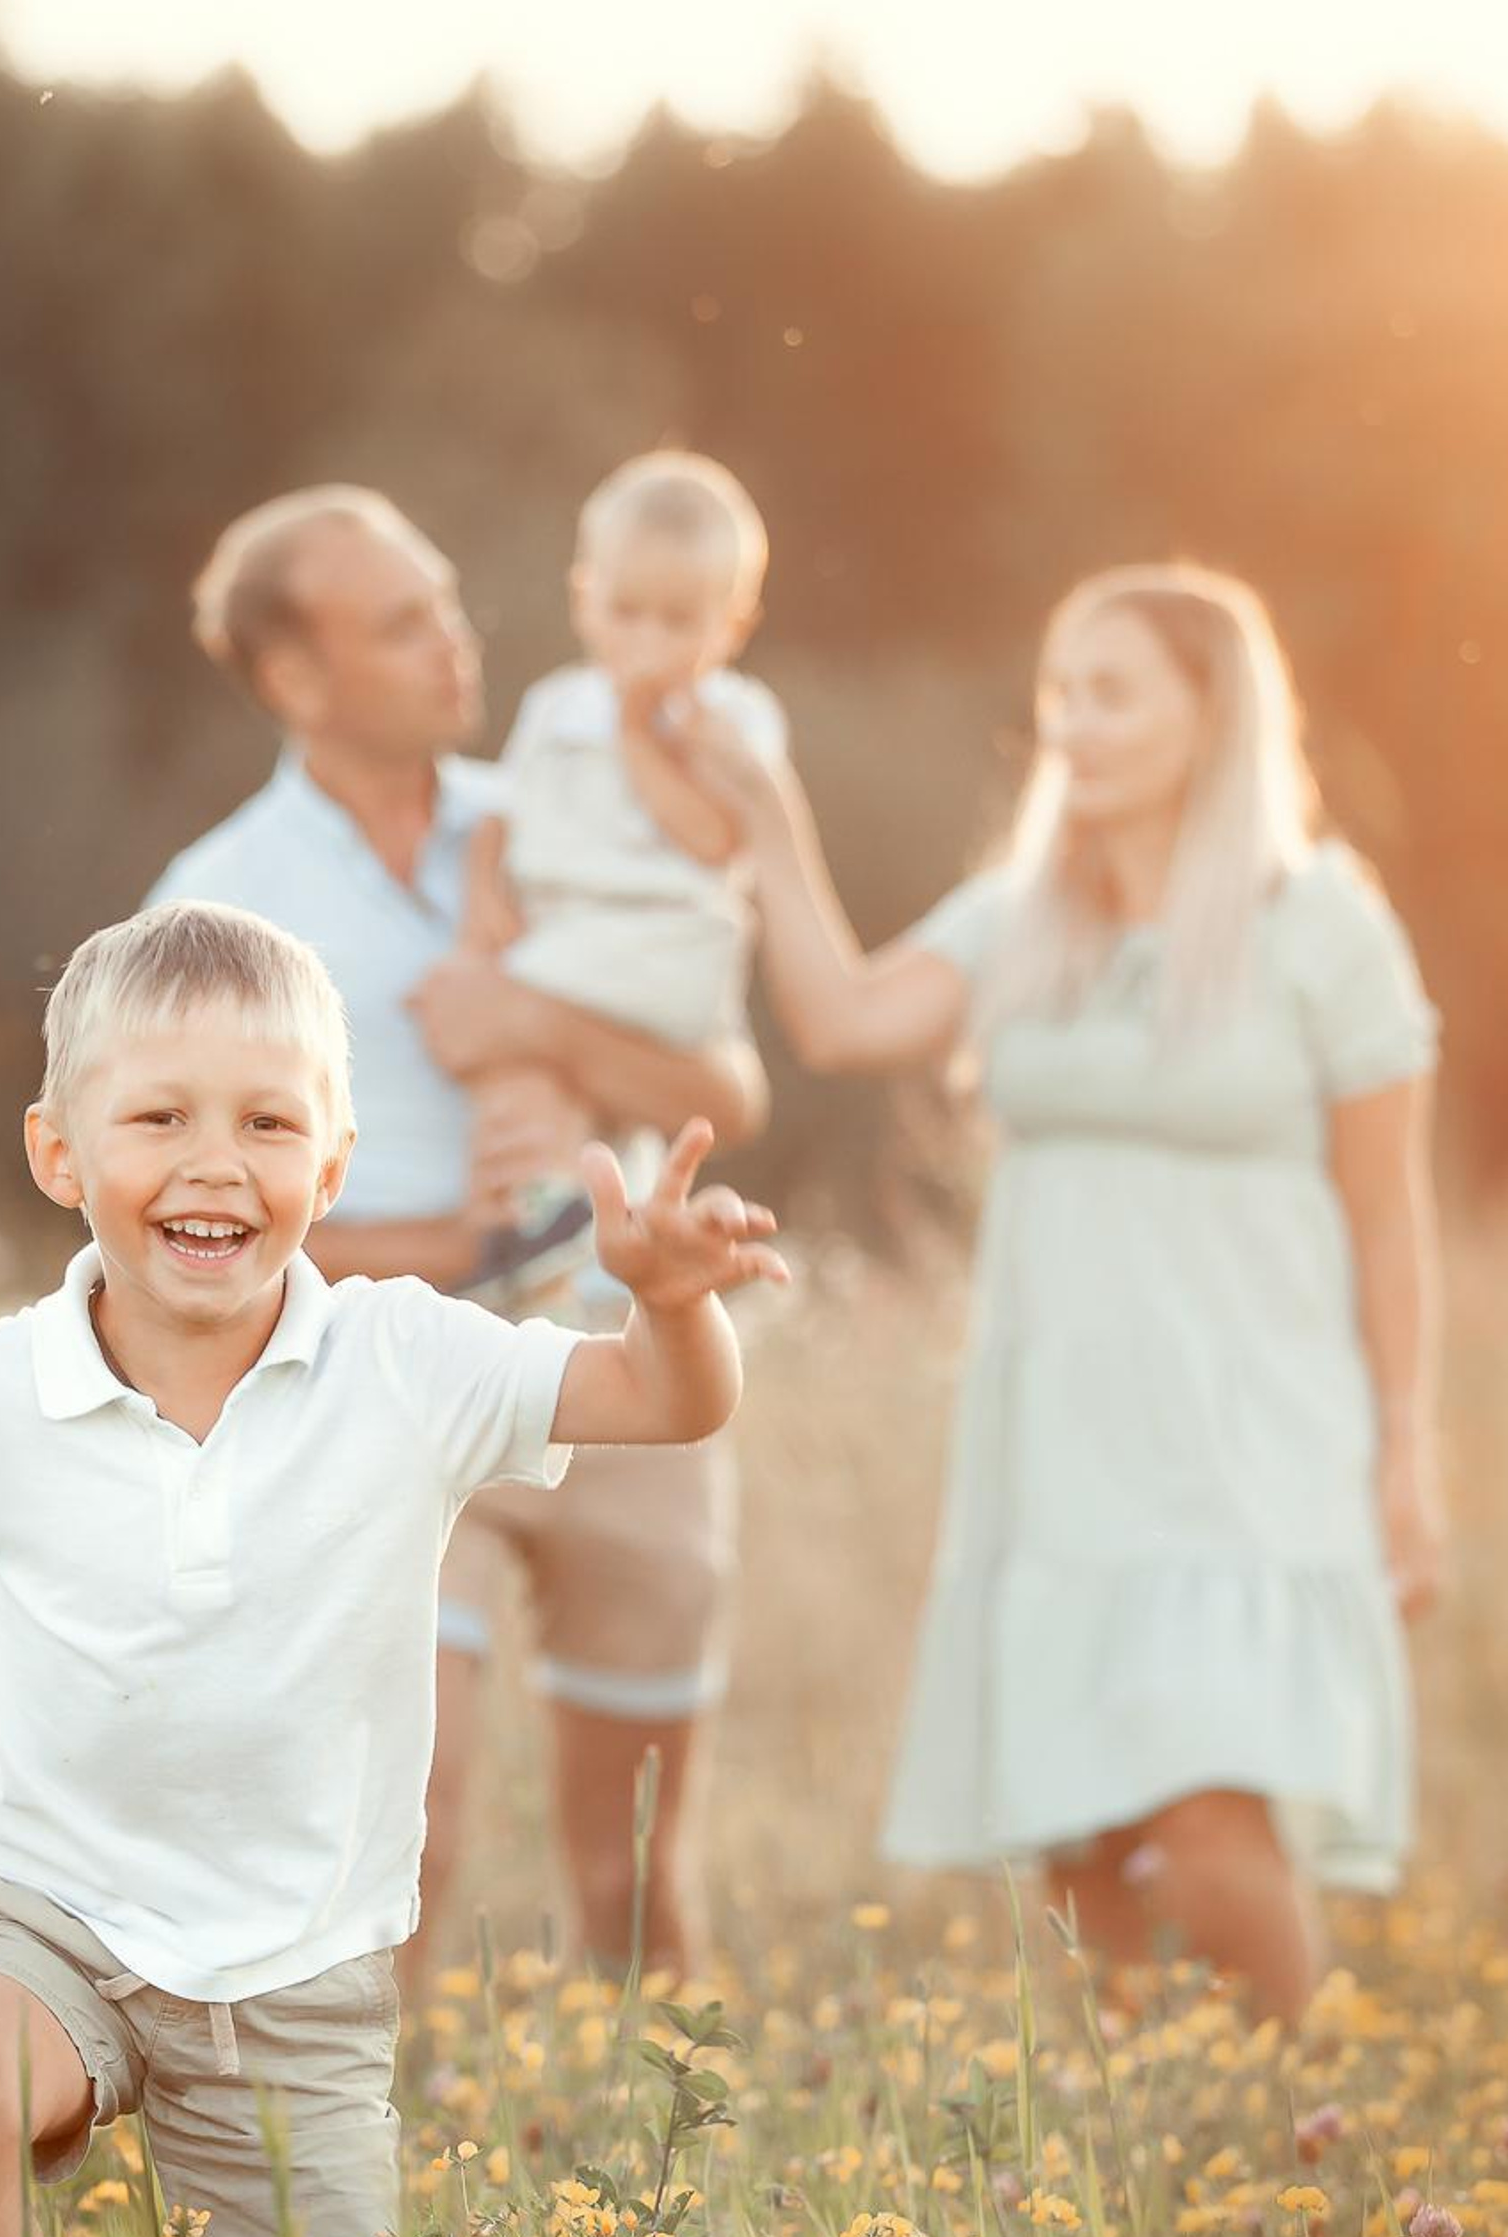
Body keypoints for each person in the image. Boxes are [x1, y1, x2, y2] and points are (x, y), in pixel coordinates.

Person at [0, 900, 784, 2237]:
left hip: (300, 1962)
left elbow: (666, 1403)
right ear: (58, 1154)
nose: (216, 1162)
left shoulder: (408, 1358)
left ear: (330, 1167)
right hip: (52, 1907)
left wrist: (668, 1304)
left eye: (269, 1123)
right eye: (158, 1118)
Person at [672, 560, 1444, 2023]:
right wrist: (768, 816)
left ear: (1211, 712)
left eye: (1113, 691)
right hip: (1061, 1431)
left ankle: (1298, 2137)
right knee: (1085, 1840)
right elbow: (840, 1020)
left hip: (1253, 1432)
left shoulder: (1322, 921)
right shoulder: (1021, 915)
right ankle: (1144, 2181)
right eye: (1061, 691)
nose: (1073, 724)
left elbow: (1392, 1219)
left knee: (1212, 1822)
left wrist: (1407, 1449)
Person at [151, 486, 767, 1982]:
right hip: (384, 1395)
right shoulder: (218, 905)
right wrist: (456, 1245)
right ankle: (356, 2204)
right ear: (296, 678)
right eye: (401, 621)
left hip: (625, 1372)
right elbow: (179, 1230)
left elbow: (726, 1084)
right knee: (404, 1843)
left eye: (445, 600)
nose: (454, 641)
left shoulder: (565, 815)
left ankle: (652, 2204)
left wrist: (535, 1022)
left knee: (634, 1875)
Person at [458, 449, 788, 1306]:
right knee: (533, 1080)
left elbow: (716, 842)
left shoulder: (731, 718)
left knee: (497, 1034)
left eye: (677, 621)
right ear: (583, 597)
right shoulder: (558, 703)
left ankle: (545, 1221)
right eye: (624, 610)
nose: (644, 642)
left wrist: (644, 737)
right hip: (569, 936)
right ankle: (561, 1227)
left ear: (733, 625)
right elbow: (502, 809)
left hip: (661, 944)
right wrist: (483, 891)